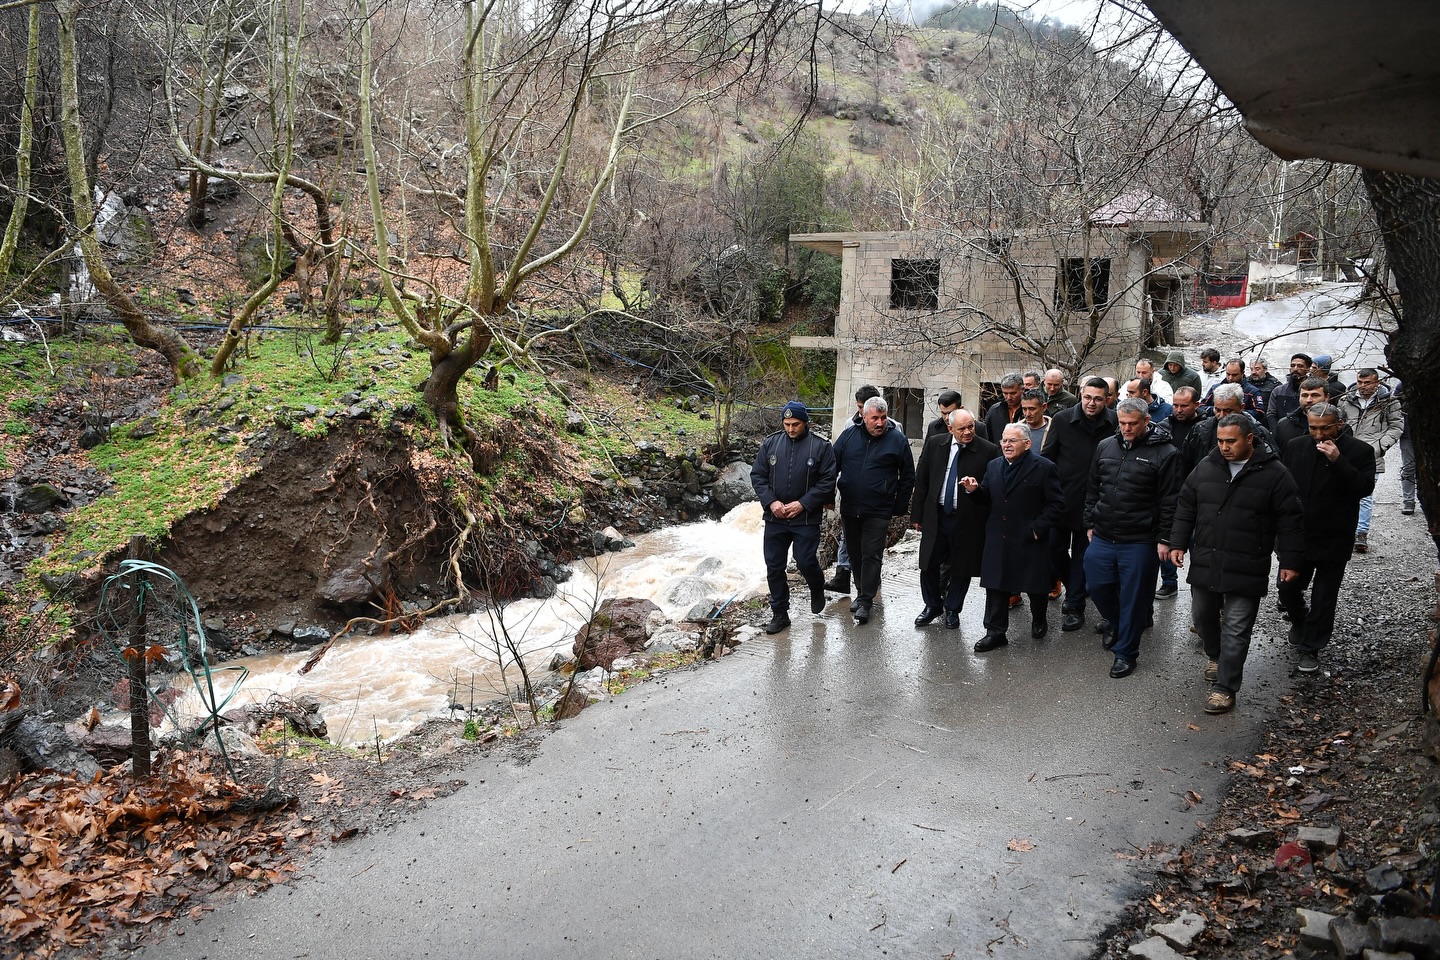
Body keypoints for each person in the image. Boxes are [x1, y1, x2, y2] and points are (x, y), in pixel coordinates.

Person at [1166, 414, 1305, 715]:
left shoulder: (1275, 474)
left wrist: (1290, 560)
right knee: (1203, 616)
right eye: (1220, 441)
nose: (1224, 447)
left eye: (1231, 441)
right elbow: (1186, 505)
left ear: (1249, 439)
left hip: (1248, 563)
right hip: (1207, 559)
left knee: (1237, 628)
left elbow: (1291, 521)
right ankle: (1215, 655)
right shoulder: (1207, 466)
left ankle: (1225, 688)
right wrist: (1177, 543)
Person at [1083, 398, 1183, 678]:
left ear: (1146, 421)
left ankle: (1126, 652)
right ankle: (1118, 623)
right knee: (1096, 585)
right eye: (1122, 423)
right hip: (1103, 533)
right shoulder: (1106, 446)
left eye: (1132, 424)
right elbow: (1093, 487)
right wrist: (1089, 522)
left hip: (1141, 539)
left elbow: (1171, 500)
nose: (1126, 428)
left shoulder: (1166, 453)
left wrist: (1165, 538)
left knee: (1135, 598)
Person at [1279, 402, 1376, 673]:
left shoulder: (1360, 451)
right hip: (1299, 534)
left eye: (1325, 428)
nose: (1319, 434)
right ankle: (1300, 619)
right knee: (1287, 588)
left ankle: (1311, 647)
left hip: (1335, 535)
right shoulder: (1296, 446)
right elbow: (1282, 485)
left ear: (1339, 425)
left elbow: (1363, 488)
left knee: (1324, 597)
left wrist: (1338, 461)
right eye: (1313, 428)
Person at [960, 423, 1065, 651]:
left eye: (1012, 441)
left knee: (1035, 586)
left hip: (1029, 537)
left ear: (1027, 444)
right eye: (1004, 440)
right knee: (996, 586)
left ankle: (1039, 619)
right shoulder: (994, 465)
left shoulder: (1044, 467)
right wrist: (974, 490)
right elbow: (986, 498)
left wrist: (1037, 529)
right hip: (999, 536)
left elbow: (1056, 504)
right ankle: (995, 632)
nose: (1006, 445)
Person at [750, 402, 837, 634]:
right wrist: (771, 502)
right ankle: (780, 613)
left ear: (806, 422)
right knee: (774, 566)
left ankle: (816, 585)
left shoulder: (821, 446)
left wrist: (803, 503)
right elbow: (758, 476)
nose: (790, 429)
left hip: (805, 518)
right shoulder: (770, 443)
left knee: (805, 560)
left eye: (795, 424)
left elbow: (827, 481)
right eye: (787, 424)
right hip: (775, 517)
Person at [1040, 377, 1117, 632]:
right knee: (1053, 550)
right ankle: (1075, 587)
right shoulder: (1062, 420)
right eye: (1087, 397)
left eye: (1097, 399)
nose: (1091, 403)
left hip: (1096, 502)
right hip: (1063, 499)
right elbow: (1048, 458)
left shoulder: (1114, 422)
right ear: (1080, 394)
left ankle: (1075, 606)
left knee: (1084, 557)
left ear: (1107, 399)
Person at [910, 409, 998, 628]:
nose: (968, 432)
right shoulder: (935, 444)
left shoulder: (988, 450)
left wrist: (975, 490)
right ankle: (932, 605)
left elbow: (991, 491)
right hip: (937, 515)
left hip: (967, 518)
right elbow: (922, 480)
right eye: (962, 428)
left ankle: (953, 608)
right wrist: (917, 515)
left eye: (971, 427)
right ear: (950, 429)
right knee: (928, 562)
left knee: (961, 566)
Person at [832, 396, 916, 624]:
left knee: (871, 553)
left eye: (883, 418)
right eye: (875, 418)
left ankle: (866, 601)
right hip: (850, 506)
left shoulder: (897, 440)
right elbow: (832, 465)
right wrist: (829, 495)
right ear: (864, 416)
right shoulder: (849, 436)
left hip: (879, 508)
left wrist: (899, 505)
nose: (880, 423)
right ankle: (861, 592)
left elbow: (908, 475)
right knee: (855, 553)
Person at [824, 384, 895, 594]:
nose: (861, 412)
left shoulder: (894, 430)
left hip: (878, 502)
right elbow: (835, 462)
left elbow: (903, 470)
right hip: (851, 498)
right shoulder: (850, 427)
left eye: (864, 407)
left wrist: (893, 497)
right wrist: (830, 493)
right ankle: (847, 576)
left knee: (872, 548)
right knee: (850, 541)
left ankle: (867, 589)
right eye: (859, 407)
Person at [1338, 368, 1405, 553]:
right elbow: (1338, 423)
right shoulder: (1346, 400)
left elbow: (1396, 427)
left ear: (1377, 382)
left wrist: (1380, 447)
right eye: (1360, 382)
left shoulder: (1389, 402)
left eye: (1367, 383)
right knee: (1342, 493)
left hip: (1371, 454)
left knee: (1365, 495)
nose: (1362, 386)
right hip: (1347, 453)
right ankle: (1345, 530)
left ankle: (1361, 533)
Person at [1181, 383, 1277, 475]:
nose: (1221, 415)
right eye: (1217, 410)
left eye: (1228, 410)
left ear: (1241, 407)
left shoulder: (1260, 433)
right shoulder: (1199, 431)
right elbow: (1185, 467)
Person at [1272, 376, 1330, 450]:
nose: (1309, 400)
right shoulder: (1283, 425)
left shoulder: (1336, 425)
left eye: (1315, 395)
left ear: (1327, 397)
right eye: (1304, 395)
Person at [1266, 353, 1313, 429]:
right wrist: (1276, 431)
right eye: (1292, 365)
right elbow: (1271, 414)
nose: (1295, 369)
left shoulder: (1313, 392)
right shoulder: (1278, 391)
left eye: (1300, 366)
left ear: (1308, 369)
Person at [1162, 386, 1208, 451]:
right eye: (1175, 405)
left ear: (1196, 405)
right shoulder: (1164, 426)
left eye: (1184, 406)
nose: (1179, 410)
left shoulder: (1207, 427)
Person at [984, 373, 1025, 440]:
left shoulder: (1031, 410)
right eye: (1005, 393)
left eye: (1013, 393)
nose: (1009, 397)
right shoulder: (994, 411)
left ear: (1022, 389)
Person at [1396, 380, 1416, 514]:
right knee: (1408, 466)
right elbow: (1395, 408)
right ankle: (1409, 500)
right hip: (1408, 432)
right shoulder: (1403, 384)